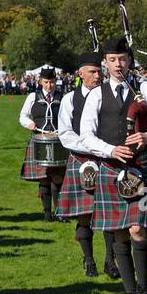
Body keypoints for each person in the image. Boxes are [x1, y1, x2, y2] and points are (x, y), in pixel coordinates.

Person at [82, 38, 147, 294]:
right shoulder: (96, 95)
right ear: (105, 63)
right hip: (111, 169)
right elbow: (86, 135)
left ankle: (145, 290)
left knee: (139, 230)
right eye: (112, 60)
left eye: (122, 59)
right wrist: (110, 150)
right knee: (121, 233)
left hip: (139, 171)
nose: (118, 64)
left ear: (129, 60)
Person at [55, 52, 114, 277]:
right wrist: (91, 146)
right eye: (92, 72)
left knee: (109, 212)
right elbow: (65, 133)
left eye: (99, 71)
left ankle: (110, 260)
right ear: (80, 73)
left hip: (107, 160)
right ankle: (89, 260)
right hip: (81, 159)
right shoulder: (71, 99)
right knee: (84, 214)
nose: (97, 76)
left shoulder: (110, 96)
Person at [18, 66, 68, 222]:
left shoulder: (62, 96)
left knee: (58, 177)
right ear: (40, 81)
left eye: (52, 82)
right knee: (44, 178)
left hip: (58, 140)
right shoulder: (33, 96)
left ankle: (59, 213)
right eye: (46, 82)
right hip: (39, 140)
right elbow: (23, 116)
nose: (49, 85)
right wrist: (29, 124)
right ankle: (47, 213)